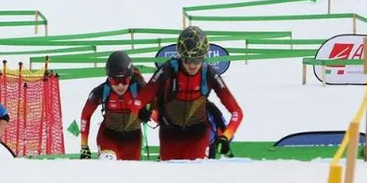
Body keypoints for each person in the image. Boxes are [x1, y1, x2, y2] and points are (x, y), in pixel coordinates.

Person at [137, 26, 244, 161]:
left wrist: (225, 136)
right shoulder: (167, 70)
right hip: (169, 136)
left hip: (198, 136)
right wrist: (146, 112)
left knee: (196, 179)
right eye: (187, 60)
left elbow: (237, 112)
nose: (192, 65)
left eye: (197, 60)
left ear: (204, 57)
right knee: (170, 179)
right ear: (180, 56)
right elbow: (138, 102)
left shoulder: (209, 74)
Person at [78, 51, 147, 161]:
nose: (120, 86)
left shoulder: (140, 89)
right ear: (109, 79)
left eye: (125, 80)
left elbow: (159, 113)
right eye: (115, 81)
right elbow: (85, 115)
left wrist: (148, 112)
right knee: (107, 165)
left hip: (133, 141)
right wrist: (84, 146)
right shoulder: (101, 91)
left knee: (130, 176)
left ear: (130, 77)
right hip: (108, 138)